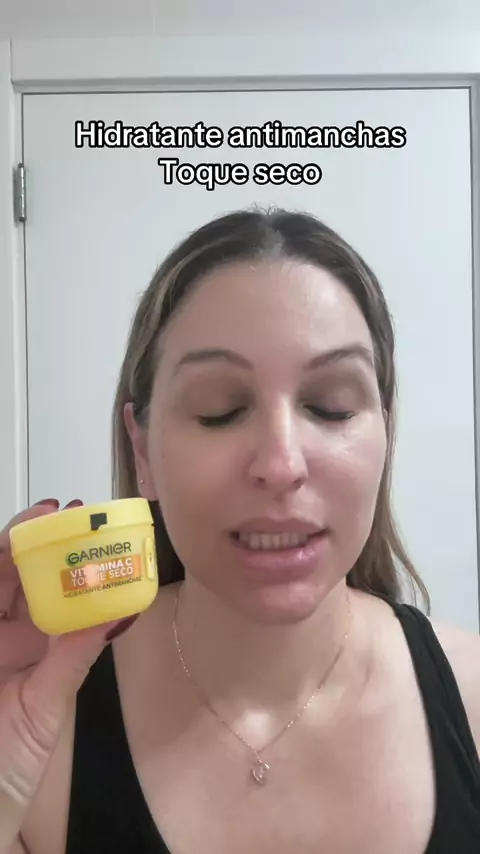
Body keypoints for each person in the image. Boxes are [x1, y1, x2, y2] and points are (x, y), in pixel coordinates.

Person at [1, 207, 480, 854]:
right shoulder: (38, 725)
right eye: (219, 411)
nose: (281, 464)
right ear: (142, 451)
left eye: (331, 407)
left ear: (386, 432)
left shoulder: (473, 697)